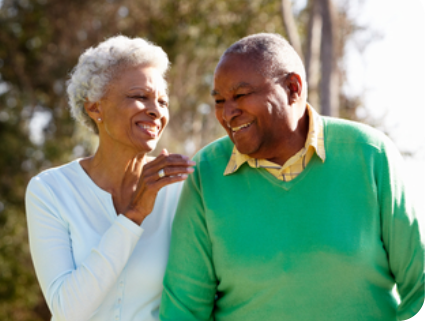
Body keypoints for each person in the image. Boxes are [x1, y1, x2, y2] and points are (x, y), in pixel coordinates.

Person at [160, 33, 424, 321]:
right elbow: (183, 311)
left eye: (241, 95)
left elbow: (419, 286)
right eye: (220, 100)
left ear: (293, 87)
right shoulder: (205, 173)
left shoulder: (370, 154)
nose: (228, 112)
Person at [25, 35, 195, 321]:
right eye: (140, 96)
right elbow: (68, 310)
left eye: (162, 101)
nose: (156, 110)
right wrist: (134, 215)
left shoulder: (180, 189)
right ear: (95, 107)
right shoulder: (50, 190)